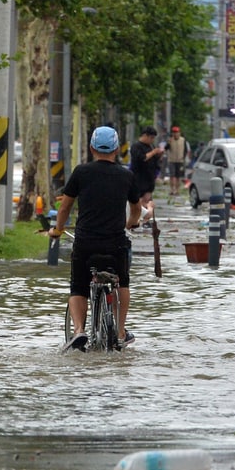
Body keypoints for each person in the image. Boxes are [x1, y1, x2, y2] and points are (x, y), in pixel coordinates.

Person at [50, 125, 146, 351]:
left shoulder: (81, 172)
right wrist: (131, 223)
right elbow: (136, 208)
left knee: (78, 287)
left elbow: (64, 207)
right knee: (122, 281)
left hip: (85, 242)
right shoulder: (127, 175)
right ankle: (121, 331)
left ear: (92, 147)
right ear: (116, 149)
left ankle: (79, 331)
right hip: (115, 243)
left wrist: (58, 229)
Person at [128, 126, 164, 210]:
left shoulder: (151, 146)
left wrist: (159, 154)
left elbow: (155, 160)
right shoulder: (136, 146)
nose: (152, 140)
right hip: (139, 178)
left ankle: (146, 218)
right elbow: (142, 158)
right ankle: (138, 217)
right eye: (151, 138)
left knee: (147, 200)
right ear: (145, 135)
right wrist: (153, 152)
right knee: (139, 200)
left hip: (150, 178)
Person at [164, 126, 191, 200]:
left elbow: (185, 150)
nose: (175, 134)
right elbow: (166, 148)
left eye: (177, 132)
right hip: (171, 160)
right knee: (172, 176)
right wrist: (169, 142)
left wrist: (183, 157)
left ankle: (177, 190)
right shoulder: (170, 140)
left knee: (178, 176)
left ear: (179, 133)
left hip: (180, 161)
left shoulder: (183, 140)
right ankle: (172, 190)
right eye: (174, 132)